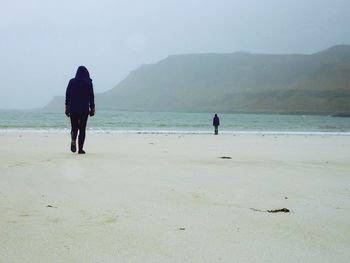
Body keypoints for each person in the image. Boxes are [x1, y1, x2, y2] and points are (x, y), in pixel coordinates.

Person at [65, 66, 95, 154]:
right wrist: (92, 108)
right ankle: (80, 149)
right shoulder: (88, 83)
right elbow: (91, 96)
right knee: (82, 129)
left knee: (74, 127)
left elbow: (67, 94)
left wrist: (66, 107)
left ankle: (73, 140)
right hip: (84, 109)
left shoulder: (72, 81)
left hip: (73, 108)